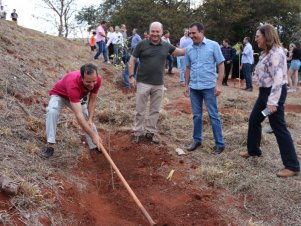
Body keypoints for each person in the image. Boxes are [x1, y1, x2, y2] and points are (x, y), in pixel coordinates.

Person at [239, 24, 300, 177]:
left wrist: (273, 102)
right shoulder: (266, 53)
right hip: (265, 94)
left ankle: (292, 166)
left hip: (274, 95)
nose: (256, 39)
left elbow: (278, 80)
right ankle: (253, 151)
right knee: (254, 120)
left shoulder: (276, 54)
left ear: (266, 36)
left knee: (278, 126)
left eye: (258, 36)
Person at [128, 21, 185, 144]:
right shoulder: (141, 44)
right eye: (152, 31)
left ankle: (150, 133)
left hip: (159, 84)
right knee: (140, 110)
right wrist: (131, 76)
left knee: (155, 110)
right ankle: (137, 132)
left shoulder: (166, 46)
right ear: (149, 32)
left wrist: (195, 45)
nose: (155, 34)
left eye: (157, 31)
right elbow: (132, 60)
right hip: (143, 82)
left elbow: (181, 52)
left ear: (161, 32)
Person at [40, 64, 102, 158]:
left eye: (94, 81)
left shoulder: (97, 80)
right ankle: (50, 145)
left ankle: (95, 146)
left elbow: (92, 101)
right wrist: (93, 135)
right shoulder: (73, 84)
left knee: (88, 120)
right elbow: (78, 115)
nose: (92, 84)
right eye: (88, 82)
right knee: (52, 111)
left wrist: (89, 119)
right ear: (81, 78)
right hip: (60, 95)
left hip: (77, 97)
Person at [184, 22, 225, 155]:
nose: (191, 35)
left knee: (213, 115)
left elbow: (221, 65)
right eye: (190, 33)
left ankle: (219, 144)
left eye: (194, 33)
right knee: (196, 116)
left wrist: (218, 84)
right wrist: (186, 85)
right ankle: (197, 140)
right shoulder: (189, 49)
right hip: (194, 88)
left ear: (201, 32)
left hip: (209, 87)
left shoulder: (213, 45)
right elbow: (188, 68)